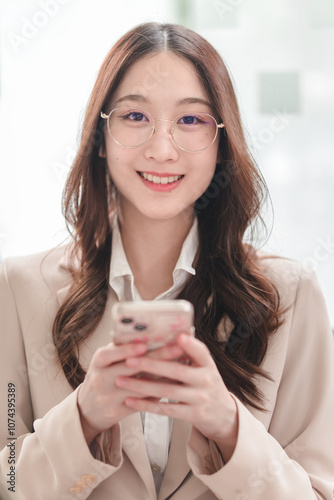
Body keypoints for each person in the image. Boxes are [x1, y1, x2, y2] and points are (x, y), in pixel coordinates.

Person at [0, 22, 333, 500]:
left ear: (222, 142)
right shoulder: (17, 287)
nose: (161, 149)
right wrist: (84, 417)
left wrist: (229, 426)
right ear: (101, 133)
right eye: (135, 116)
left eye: (191, 120)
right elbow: (7, 481)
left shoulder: (291, 295)